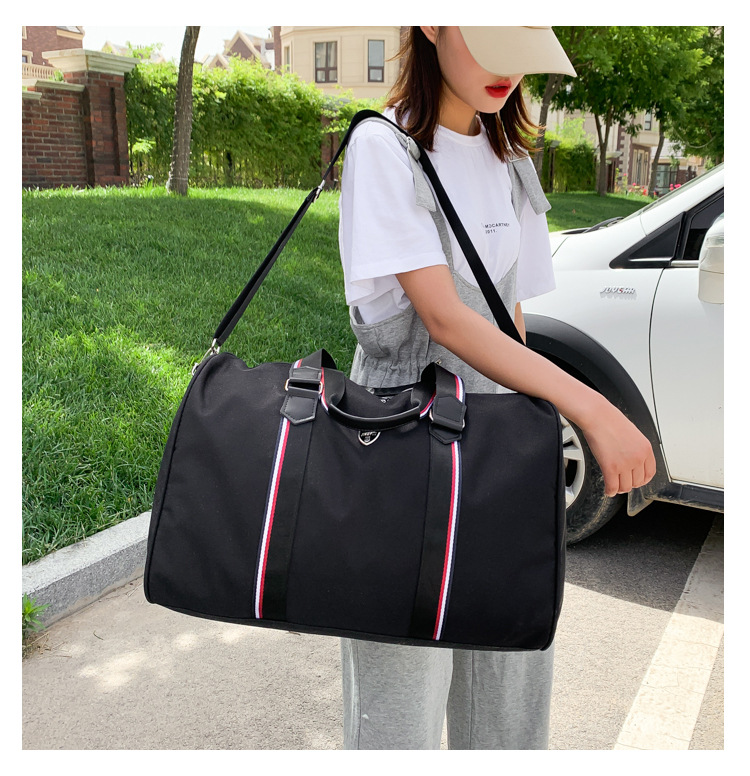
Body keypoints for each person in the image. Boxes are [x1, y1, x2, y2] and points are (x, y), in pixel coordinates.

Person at [337, 26, 656, 750]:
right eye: (490, 33)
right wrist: (592, 409)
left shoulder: (509, 158)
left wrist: (533, 434)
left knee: (510, 706)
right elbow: (446, 319)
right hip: (399, 456)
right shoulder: (383, 149)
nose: (508, 66)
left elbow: (509, 321)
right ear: (431, 24)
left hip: (495, 453)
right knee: (398, 717)